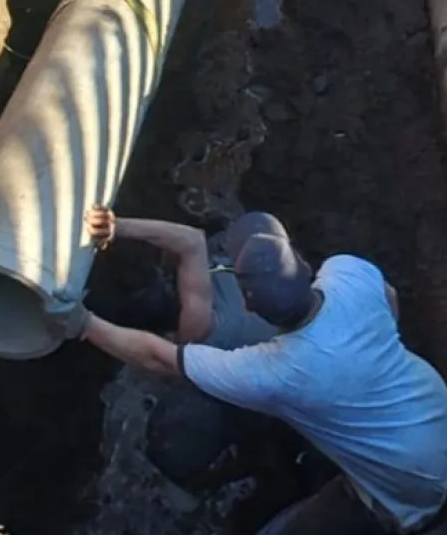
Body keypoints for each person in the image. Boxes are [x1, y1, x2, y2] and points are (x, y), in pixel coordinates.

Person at [59, 210, 447, 535]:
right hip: (433, 410)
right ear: (302, 264)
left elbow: (159, 358)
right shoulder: (346, 274)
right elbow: (389, 297)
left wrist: (83, 323)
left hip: (403, 490)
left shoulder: (273, 371)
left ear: (251, 305)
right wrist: (365, 365)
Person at [82, 206, 295, 490]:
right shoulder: (267, 268)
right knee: (152, 302)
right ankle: (118, 309)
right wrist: (114, 226)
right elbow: (191, 241)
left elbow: (159, 360)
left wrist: (83, 324)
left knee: (173, 445)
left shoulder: (207, 328)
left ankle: (209, 479)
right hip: (238, 305)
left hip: (254, 397)